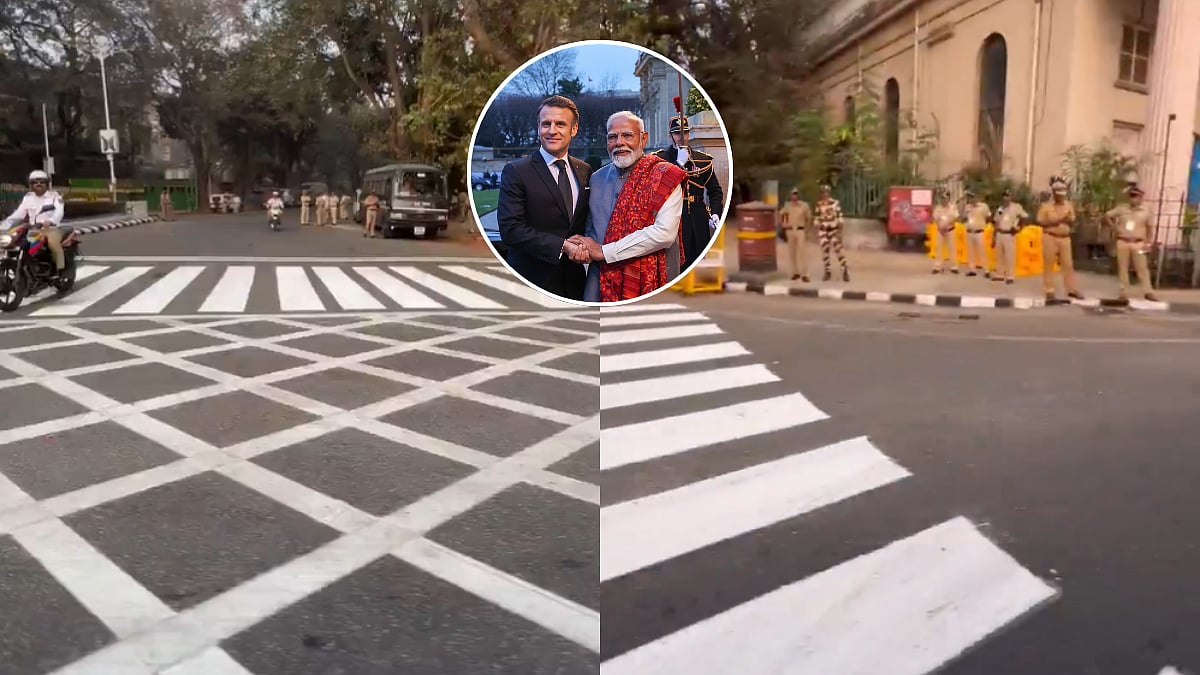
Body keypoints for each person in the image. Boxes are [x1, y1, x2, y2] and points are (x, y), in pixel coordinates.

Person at [568, 111, 686, 303]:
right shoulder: (596, 179)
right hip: (600, 282)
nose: (619, 142)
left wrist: (604, 252)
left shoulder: (665, 176)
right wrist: (581, 248)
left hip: (650, 282)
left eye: (627, 135)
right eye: (612, 137)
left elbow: (664, 234)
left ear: (644, 138)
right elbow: (590, 231)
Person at [496, 94, 593, 300]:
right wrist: (563, 246)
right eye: (546, 124)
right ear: (538, 128)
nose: (552, 130)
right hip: (531, 282)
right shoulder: (517, 171)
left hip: (575, 284)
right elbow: (511, 230)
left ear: (574, 129)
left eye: (560, 124)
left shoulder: (584, 170)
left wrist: (587, 242)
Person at [652, 114, 723, 268]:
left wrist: (715, 213)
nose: (682, 137)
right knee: (676, 262)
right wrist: (678, 164)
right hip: (673, 218)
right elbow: (658, 189)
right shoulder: (660, 159)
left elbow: (715, 191)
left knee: (699, 259)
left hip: (698, 217)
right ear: (670, 136)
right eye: (677, 133)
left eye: (685, 133)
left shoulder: (702, 159)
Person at [3, 170, 65, 278]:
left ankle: (59, 270)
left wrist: (51, 221)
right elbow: (19, 213)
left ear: (47, 183)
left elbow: (59, 212)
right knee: (19, 243)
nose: (38, 184)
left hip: (51, 229)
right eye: (35, 182)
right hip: (33, 230)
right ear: (31, 184)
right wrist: (5, 223)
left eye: (42, 182)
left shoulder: (54, 196)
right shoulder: (28, 197)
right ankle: (29, 266)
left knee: (53, 243)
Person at [1105, 184, 1160, 302]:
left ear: (1140, 198)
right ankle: (1123, 292)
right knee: (1123, 268)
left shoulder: (1146, 211)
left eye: (1135, 196)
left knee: (1142, 268)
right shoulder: (1122, 209)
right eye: (1131, 196)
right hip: (1123, 241)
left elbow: (1150, 228)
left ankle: (1148, 292)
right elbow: (1107, 215)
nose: (1133, 198)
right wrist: (1114, 228)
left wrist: (1148, 243)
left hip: (1138, 243)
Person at [1037, 175, 1084, 301]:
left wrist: (1068, 220)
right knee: (1049, 264)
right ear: (1054, 193)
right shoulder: (1046, 206)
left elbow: (1072, 220)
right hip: (1050, 236)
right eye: (1059, 194)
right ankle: (1049, 290)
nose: (1061, 196)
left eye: (1063, 194)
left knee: (1068, 264)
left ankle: (1071, 289)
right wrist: (1059, 220)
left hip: (1064, 238)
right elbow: (1040, 221)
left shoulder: (1068, 205)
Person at [814, 183, 850, 282]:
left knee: (839, 251)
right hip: (823, 230)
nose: (824, 194)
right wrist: (817, 225)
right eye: (822, 192)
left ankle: (844, 270)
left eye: (826, 192)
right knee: (825, 252)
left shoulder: (835, 203)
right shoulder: (819, 204)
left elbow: (840, 217)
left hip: (834, 230)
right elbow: (817, 217)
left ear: (829, 193)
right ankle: (827, 272)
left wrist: (840, 232)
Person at [993, 188, 1028, 284]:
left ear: (1011, 197)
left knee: (1010, 256)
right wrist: (994, 236)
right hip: (1000, 233)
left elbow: (1024, 217)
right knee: (999, 255)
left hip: (1009, 234)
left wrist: (1019, 228)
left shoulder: (1016, 207)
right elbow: (996, 222)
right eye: (1004, 196)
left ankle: (1010, 276)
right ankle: (999, 274)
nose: (1006, 198)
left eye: (1008, 196)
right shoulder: (1000, 208)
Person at [779, 188, 811, 282]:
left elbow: (809, 218)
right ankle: (795, 272)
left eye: (796, 194)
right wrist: (783, 224)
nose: (794, 196)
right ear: (790, 195)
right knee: (792, 253)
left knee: (802, 252)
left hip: (800, 230)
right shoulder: (787, 205)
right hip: (790, 230)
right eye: (793, 194)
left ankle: (805, 274)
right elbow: (781, 214)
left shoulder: (804, 206)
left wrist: (806, 230)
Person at [961, 189, 991, 278]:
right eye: (970, 197)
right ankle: (972, 270)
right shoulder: (967, 207)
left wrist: (984, 224)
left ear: (977, 197)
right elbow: (964, 218)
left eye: (973, 197)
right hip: (969, 231)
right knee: (970, 252)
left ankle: (986, 270)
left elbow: (989, 216)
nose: (972, 199)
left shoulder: (983, 206)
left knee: (982, 252)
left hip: (979, 232)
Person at [931, 190, 958, 274]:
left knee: (952, 248)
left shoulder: (953, 207)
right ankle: (937, 267)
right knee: (938, 248)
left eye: (945, 198)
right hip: (940, 231)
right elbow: (935, 218)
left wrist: (947, 224)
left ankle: (954, 267)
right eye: (942, 198)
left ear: (948, 199)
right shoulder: (938, 208)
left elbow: (955, 217)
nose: (944, 200)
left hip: (950, 230)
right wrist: (940, 226)